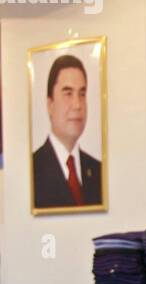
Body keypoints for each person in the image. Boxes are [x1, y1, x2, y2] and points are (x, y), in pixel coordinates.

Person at [32, 54, 103, 209]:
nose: (77, 104)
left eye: (82, 94)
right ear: (50, 104)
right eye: (68, 93)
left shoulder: (99, 171)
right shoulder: (32, 170)